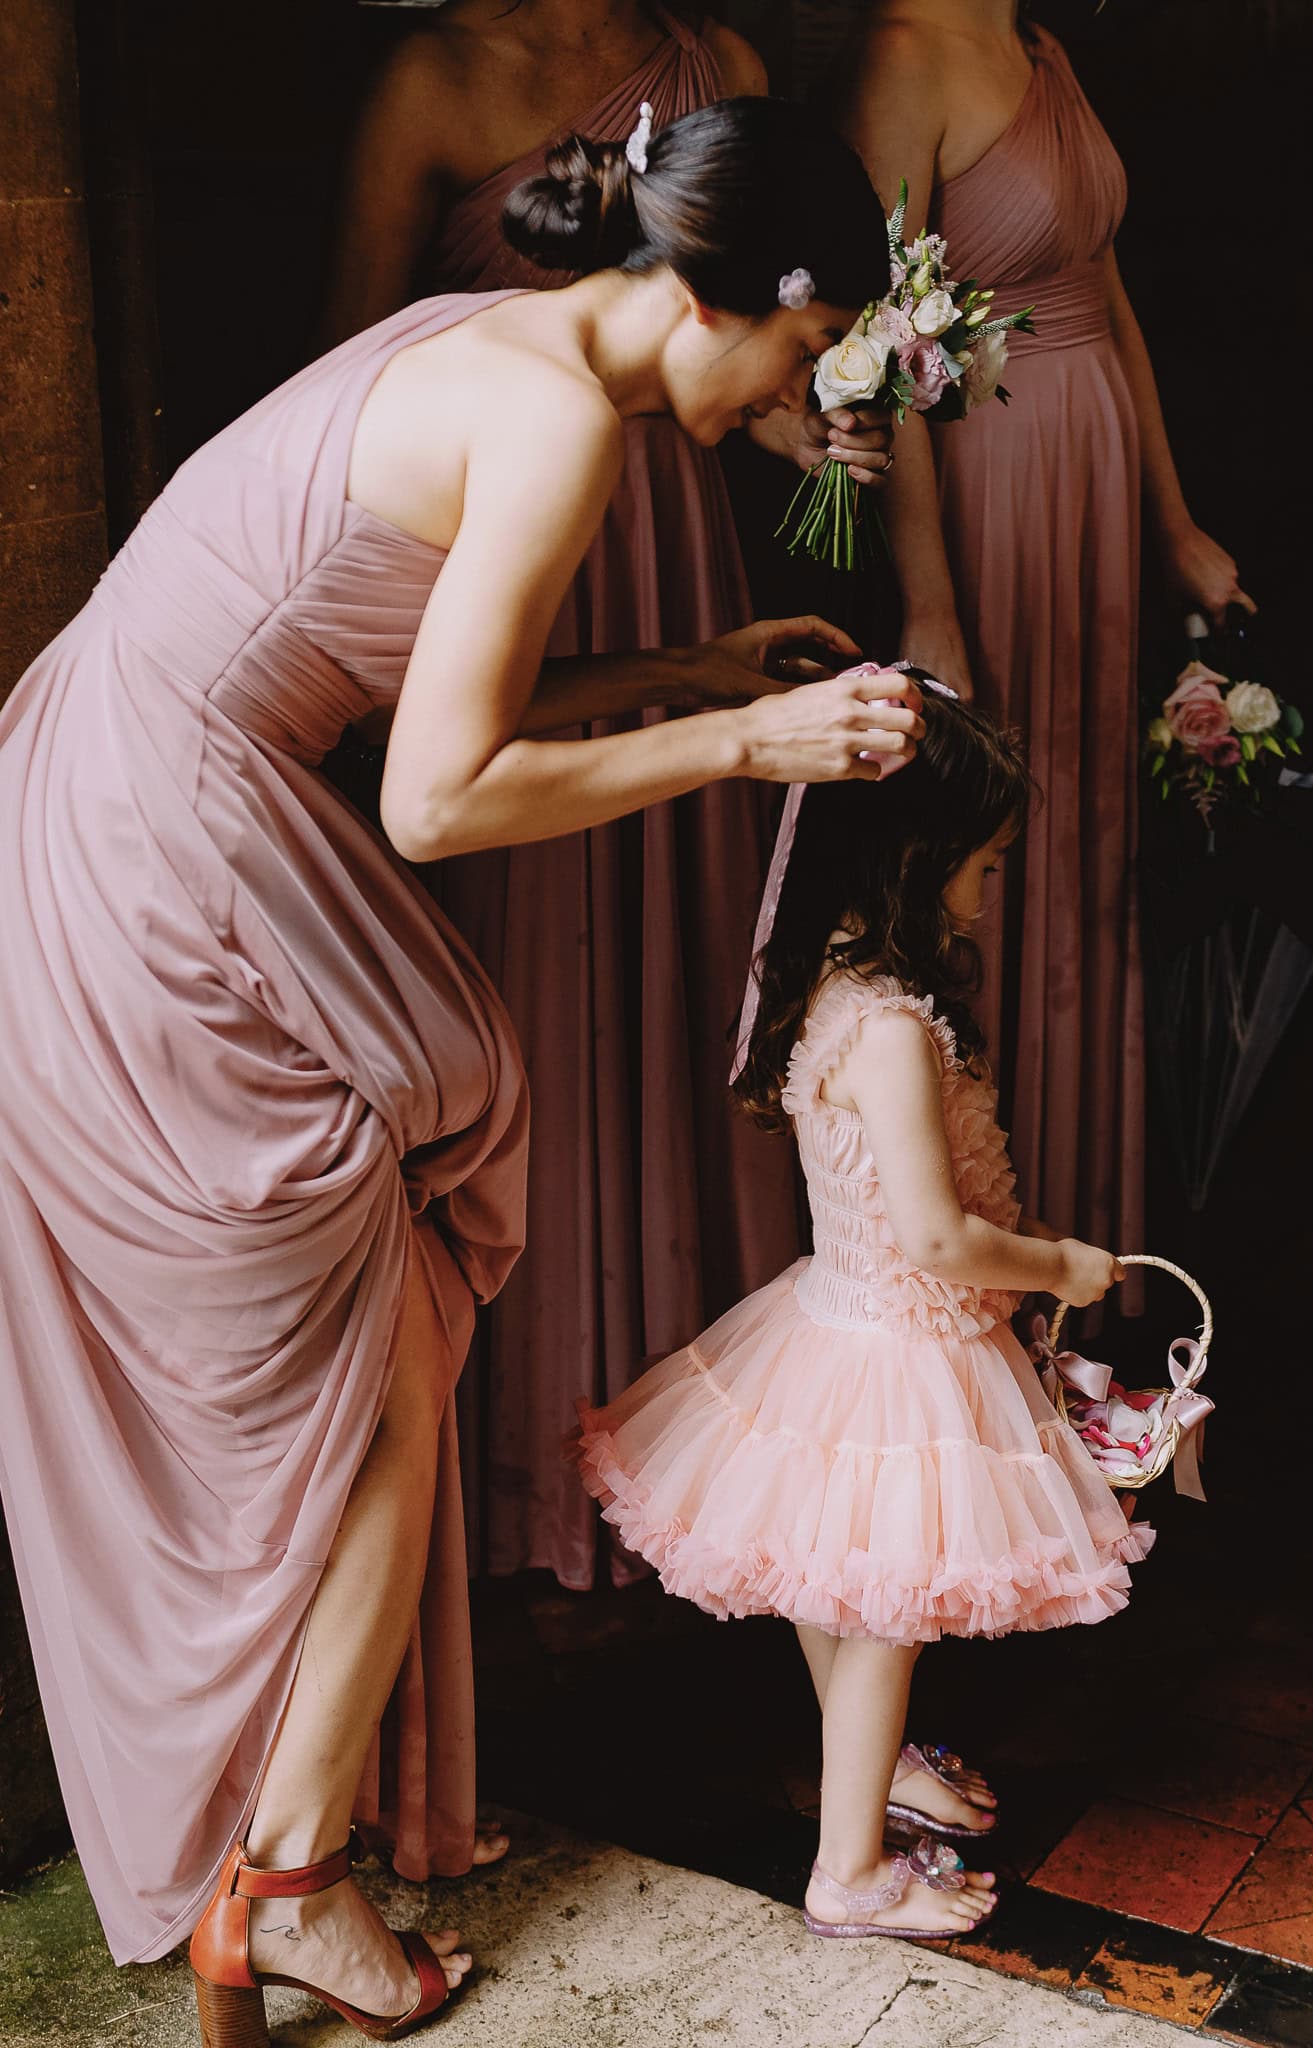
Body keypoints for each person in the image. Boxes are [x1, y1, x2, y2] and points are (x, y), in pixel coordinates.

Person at [0, 97, 919, 2043]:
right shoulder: (558, 417)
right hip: (174, 861)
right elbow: (434, 796)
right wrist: (750, 746)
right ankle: (286, 1871)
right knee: (362, 1362)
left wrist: (684, 670)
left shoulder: (490, 335)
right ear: (731, 296)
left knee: (374, 1345)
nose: (793, 393)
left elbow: (408, 693)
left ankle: (294, 1847)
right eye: (802, 347)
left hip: (133, 799)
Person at [323, 3, 895, 1590]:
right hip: (500, 562)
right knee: (536, 997)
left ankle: (692, 1449)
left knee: (684, 980)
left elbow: (725, 330)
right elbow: (349, 362)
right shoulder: (434, 81)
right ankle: (533, 1466)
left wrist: (799, 432)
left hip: (669, 542)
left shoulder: (719, 60)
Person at [574, 689, 1150, 1940]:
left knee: (831, 1564)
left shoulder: (836, 978)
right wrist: (1061, 1265)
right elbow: (937, 1235)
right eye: (983, 862)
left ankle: (872, 1758)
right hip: (900, 1339)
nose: (989, 888)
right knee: (885, 1605)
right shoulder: (888, 1029)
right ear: (916, 857)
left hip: (833, 1318)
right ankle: (849, 1872)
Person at [837, 0, 1255, 1266]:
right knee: (999, 841)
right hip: (995, 488)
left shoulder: (1039, 48)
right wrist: (929, 600)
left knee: (1090, 839)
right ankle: (994, 1242)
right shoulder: (903, 53)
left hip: (1094, 482)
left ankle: (1091, 1226)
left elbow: (1107, 300)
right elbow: (882, 341)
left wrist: (1173, 521)